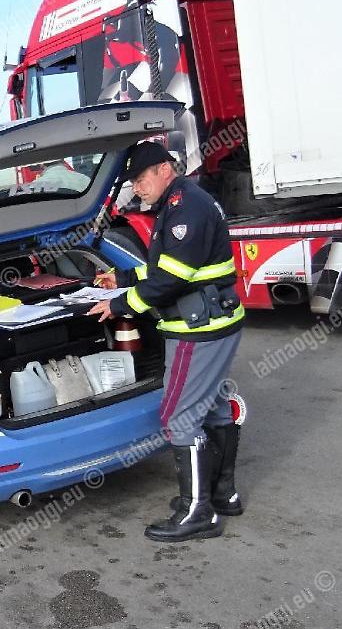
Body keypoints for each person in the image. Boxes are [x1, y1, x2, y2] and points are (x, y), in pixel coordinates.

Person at [88, 141, 245, 543]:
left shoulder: (184, 208)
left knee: (178, 416)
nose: (137, 188)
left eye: (140, 179)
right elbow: (169, 269)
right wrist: (121, 281)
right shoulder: (179, 203)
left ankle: (198, 513)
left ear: (162, 169)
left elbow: (173, 280)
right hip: (214, 321)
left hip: (197, 330)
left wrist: (123, 303)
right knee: (211, 409)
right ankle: (220, 494)